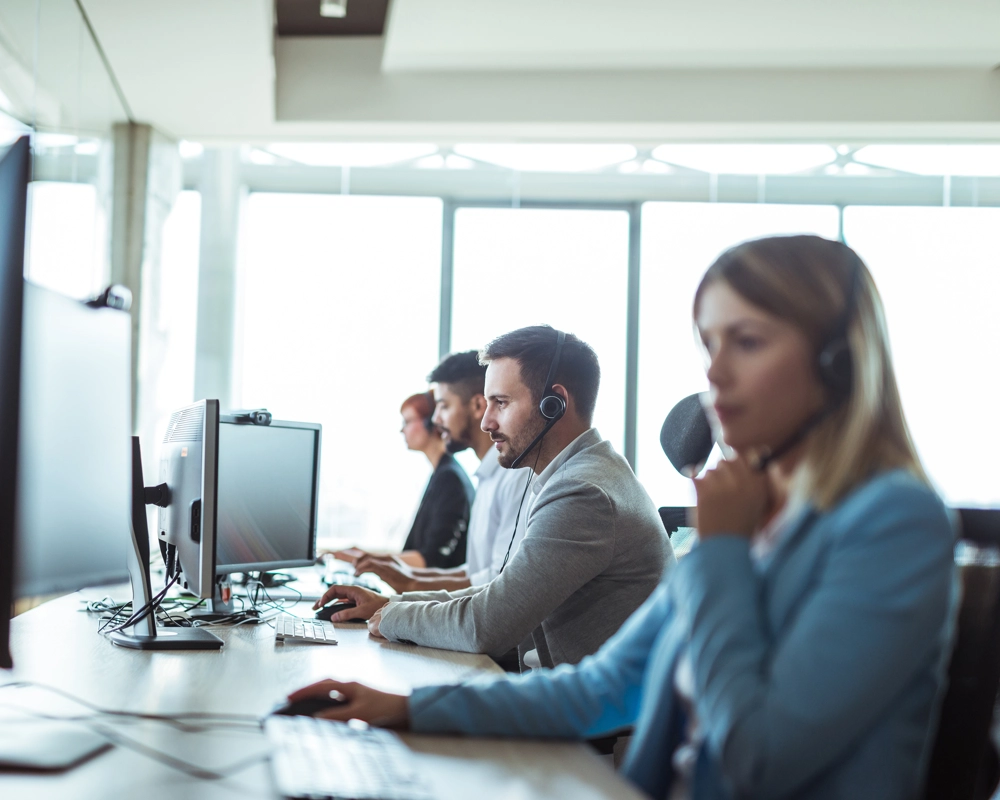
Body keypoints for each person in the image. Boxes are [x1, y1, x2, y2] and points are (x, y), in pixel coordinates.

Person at [290, 236, 956, 800]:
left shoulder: (893, 523)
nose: (714, 374)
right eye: (709, 345)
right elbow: (601, 688)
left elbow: (759, 759)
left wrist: (721, 553)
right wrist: (406, 708)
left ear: (838, 365)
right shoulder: (755, 521)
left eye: (746, 342)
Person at [314, 327, 674, 672]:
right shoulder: (586, 473)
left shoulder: (582, 493)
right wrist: (391, 603)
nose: (486, 422)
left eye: (500, 403)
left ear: (555, 404)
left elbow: (486, 625)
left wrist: (391, 617)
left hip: (594, 725)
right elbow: (499, 594)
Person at [344, 351, 527, 592]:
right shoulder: (485, 476)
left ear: (476, 406)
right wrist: (401, 576)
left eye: (444, 406)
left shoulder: (513, 476)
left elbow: (497, 584)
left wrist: (404, 591)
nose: (437, 420)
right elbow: (474, 573)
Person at [336, 391, 473, 570]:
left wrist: (366, 558)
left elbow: (430, 559)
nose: (402, 430)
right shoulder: (441, 474)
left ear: (431, 422)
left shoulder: (449, 479)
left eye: (407, 422)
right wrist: (365, 556)